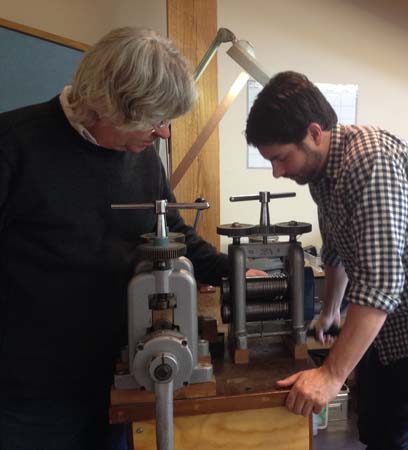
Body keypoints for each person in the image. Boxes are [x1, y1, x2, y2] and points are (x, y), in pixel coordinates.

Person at [0, 27, 260, 450]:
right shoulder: (13, 145)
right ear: (108, 105)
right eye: (156, 120)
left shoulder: (140, 156)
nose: (164, 135)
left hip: (121, 371)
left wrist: (233, 270)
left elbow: (171, 230)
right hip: (28, 393)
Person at [245, 71, 408, 450]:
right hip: (393, 326)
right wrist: (331, 309)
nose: (277, 172)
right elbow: (335, 250)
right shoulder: (319, 173)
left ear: (315, 133)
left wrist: (330, 375)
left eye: (281, 158)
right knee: (380, 435)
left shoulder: (370, 159)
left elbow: (380, 284)